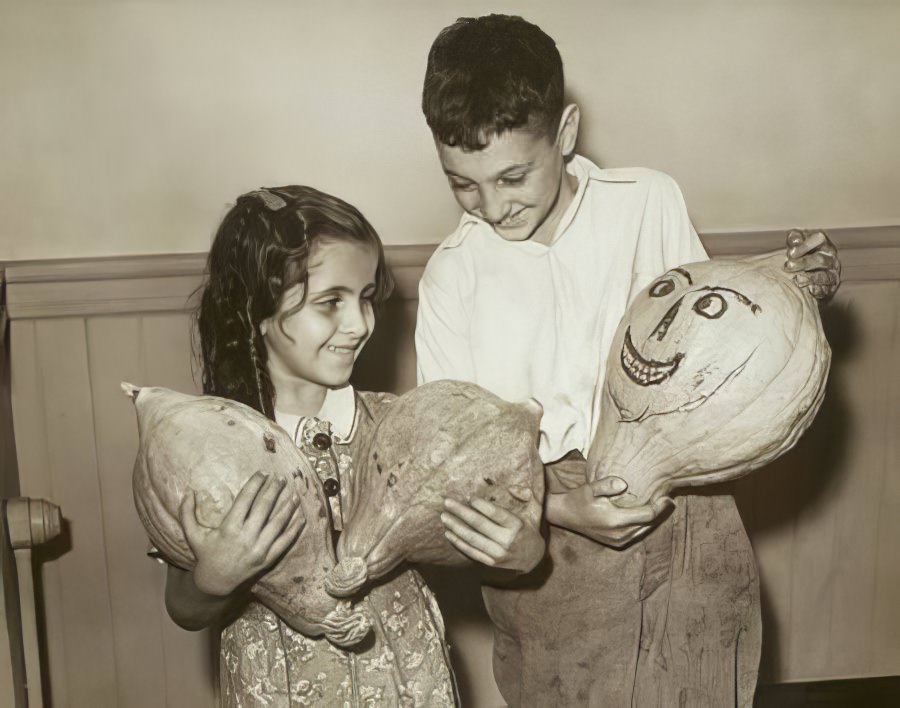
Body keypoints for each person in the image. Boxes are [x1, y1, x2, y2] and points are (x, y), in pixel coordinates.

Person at [416, 14, 840, 707]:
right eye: (463, 183)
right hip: (549, 535)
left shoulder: (648, 200)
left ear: (566, 132)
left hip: (690, 512)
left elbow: (714, 334)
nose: (492, 206)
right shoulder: (450, 280)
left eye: (513, 176)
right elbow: (456, 467)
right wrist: (564, 505)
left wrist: (797, 280)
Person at [162, 186, 457, 707]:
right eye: (330, 303)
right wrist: (213, 577)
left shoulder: (398, 426)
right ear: (256, 310)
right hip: (278, 692)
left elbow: (457, 540)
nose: (360, 323)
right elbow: (185, 607)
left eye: (367, 297)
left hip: (410, 687)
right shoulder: (213, 446)